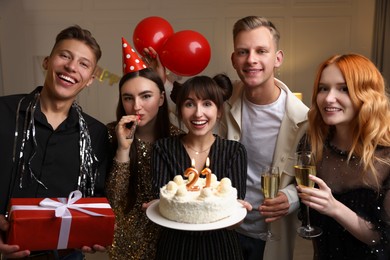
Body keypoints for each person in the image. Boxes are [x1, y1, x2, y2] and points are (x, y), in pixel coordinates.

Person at [0, 25, 109, 259]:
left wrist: (94, 230)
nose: (71, 67)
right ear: (47, 62)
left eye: (83, 63)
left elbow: (96, 198)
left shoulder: (96, 133)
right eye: (65, 56)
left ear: (90, 79)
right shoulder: (3, 111)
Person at [219, 16, 309, 259]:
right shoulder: (222, 101)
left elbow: (314, 175)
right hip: (225, 229)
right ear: (234, 59)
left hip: (271, 235)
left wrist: (291, 198)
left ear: (277, 58)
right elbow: (186, 111)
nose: (251, 60)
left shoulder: (304, 119)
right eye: (243, 52)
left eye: (261, 51)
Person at [297, 53, 390, 259]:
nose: (329, 98)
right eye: (323, 88)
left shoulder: (386, 155)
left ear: (367, 94)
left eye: (343, 89)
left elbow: (381, 238)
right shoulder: (313, 144)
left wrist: (334, 208)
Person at [151, 74, 248, 260]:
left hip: (222, 249)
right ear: (179, 110)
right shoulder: (163, 149)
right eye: (189, 104)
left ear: (219, 111)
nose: (198, 113)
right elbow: (163, 202)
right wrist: (156, 205)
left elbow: (234, 213)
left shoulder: (235, 151)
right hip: (174, 249)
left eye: (207, 104)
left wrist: (240, 213)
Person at [105, 37, 182, 260]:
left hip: (169, 242)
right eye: (128, 98)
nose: (136, 106)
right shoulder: (110, 134)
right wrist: (123, 149)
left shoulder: (177, 138)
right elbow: (113, 201)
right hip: (124, 245)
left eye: (146, 96)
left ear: (161, 98)